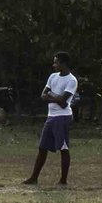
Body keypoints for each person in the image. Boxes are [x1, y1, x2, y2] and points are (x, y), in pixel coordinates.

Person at [23, 53, 80, 187]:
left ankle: (63, 180)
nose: (54, 65)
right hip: (51, 116)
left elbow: (63, 99)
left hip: (63, 117)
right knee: (43, 147)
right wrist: (55, 97)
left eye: (56, 62)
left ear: (63, 64)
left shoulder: (71, 80)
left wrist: (53, 96)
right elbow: (44, 95)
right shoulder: (52, 77)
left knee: (63, 147)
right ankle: (34, 178)